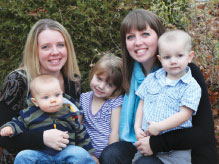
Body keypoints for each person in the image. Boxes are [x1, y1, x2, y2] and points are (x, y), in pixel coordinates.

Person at [99, 9, 218, 164]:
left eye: (145, 34)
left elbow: (202, 132)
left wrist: (155, 144)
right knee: (111, 154)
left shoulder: (185, 72)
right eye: (130, 37)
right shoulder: (128, 74)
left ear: (159, 36)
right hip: (139, 142)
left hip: (180, 153)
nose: (138, 42)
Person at [0, 18, 81, 163]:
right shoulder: (18, 81)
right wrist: (42, 138)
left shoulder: (72, 81)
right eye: (46, 47)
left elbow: (76, 126)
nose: (55, 52)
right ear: (34, 51)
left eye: (60, 45)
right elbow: (3, 137)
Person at [132, 30, 201, 164]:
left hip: (175, 151)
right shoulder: (152, 79)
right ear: (160, 59)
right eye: (167, 57)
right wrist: (137, 128)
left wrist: (159, 127)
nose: (173, 61)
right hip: (146, 140)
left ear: (190, 56)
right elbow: (142, 103)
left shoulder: (191, 85)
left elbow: (184, 114)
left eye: (179, 55)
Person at [0, 75, 96, 163]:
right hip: (39, 153)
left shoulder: (68, 111)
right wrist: (10, 128)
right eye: (46, 97)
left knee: (80, 154)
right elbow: (18, 123)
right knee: (23, 156)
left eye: (57, 95)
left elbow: (80, 132)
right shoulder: (29, 113)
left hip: (65, 151)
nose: (53, 100)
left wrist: (90, 153)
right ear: (35, 101)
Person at [79, 53, 124, 163]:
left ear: (116, 88)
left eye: (109, 84)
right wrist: (88, 154)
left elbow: (115, 132)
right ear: (92, 74)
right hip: (85, 153)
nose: (101, 86)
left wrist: (109, 156)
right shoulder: (83, 98)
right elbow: (77, 127)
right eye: (99, 78)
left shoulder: (114, 102)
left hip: (106, 156)